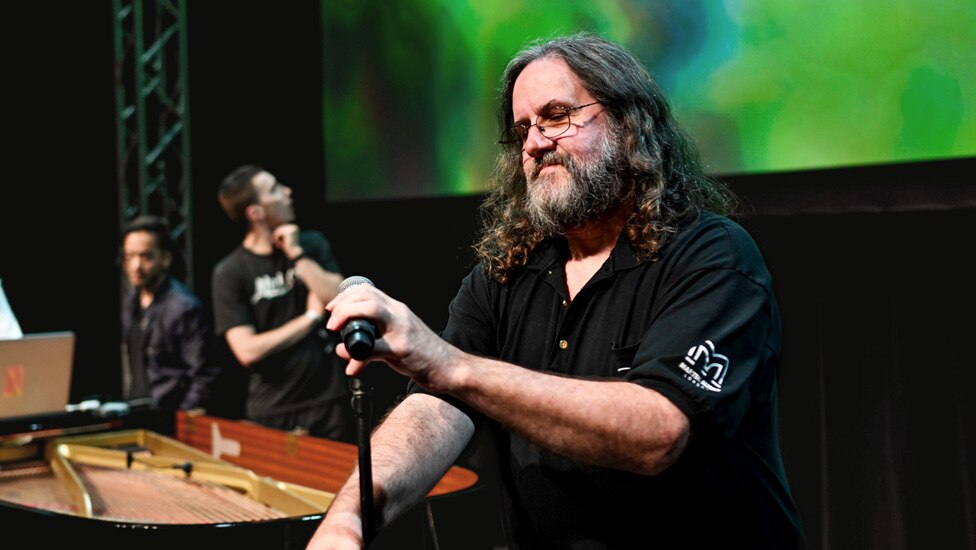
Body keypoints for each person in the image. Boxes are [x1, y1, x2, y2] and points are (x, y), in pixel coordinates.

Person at [307, 33, 803, 549]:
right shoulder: (507, 273)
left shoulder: (712, 255)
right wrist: (348, 521)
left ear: (629, 125)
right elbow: (435, 408)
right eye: (523, 128)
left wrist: (452, 364)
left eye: (557, 115)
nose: (535, 143)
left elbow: (660, 432)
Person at [212, 165, 353, 441]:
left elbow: (339, 296)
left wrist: (297, 254)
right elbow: (247, 350)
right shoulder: (230, 272)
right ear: (255, 213)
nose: (288, 192)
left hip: (328, 403)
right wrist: (310, 319)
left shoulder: (310, 244)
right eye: (275, 189)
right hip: (273, 410)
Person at [120, 215, 217, 411]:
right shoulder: (132, 302)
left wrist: (183, 419)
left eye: (145, 256)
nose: (135, 266)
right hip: (138, 413)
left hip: (169, 420)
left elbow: (204, 374)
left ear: (165, 258)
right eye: (130, 256)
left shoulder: (184, 307)